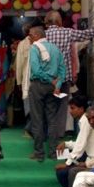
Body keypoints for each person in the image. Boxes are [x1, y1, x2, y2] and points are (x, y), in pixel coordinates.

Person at [44, 11, 94, 139]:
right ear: (59, 22)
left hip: (46, 81)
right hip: (63, 80)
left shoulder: (42, 35)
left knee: (49, 110)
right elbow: (86, 34)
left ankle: (48, 138)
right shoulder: (67, 32)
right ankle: (57, 139)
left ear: (47, 22)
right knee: (61, 111)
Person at [27, 24, 66, 161]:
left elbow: (36, 70)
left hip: (39, 85)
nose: (29, 38)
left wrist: (49, 80)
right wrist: (57, 84)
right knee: (52, 119)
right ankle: (53, 152)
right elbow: (62, 70)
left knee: (37, 119)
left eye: (31, 35)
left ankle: (39, 153)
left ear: (37, 36)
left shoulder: (34, 48)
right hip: (53, 87)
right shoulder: (56, 49)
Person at [54, 95, 94, 187]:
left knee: (62, 172)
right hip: (87, 154)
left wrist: (68, 164)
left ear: (81, 109)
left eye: (73, 108)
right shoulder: (83, 120)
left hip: (92, 157)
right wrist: (66, 144)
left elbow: (80, 146)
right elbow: (80, 142)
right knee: (66, 154)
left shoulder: (86, 121)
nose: (70, 111)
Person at [14, 23, 32, 136]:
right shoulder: (23, 44)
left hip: (27, 80)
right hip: (32, 80)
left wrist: (19, 81)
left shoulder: (22, 44)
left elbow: (19, 64)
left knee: (28, 104)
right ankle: (32, 129)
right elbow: (19, 64)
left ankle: (30, 129)